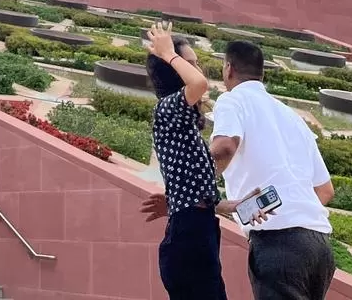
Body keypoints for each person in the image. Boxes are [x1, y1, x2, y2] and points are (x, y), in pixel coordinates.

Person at [140, 23, 264, 300]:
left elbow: (191, 191)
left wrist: (228, 206)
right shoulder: (168, 107)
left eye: (197, 64)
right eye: (190, 64)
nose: (199, 70)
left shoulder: (182, 122)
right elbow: (199, 84)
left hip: (199, 230)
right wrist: (168, 53)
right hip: (190, 236)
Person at [210, 39, 335, 300]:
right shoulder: (291, 116)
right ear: (262, 73)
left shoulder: (232, 100)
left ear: (228, 69)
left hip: (279, 244)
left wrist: (195, 188)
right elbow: (325, 190)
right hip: (320, 247)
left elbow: (224, 147)